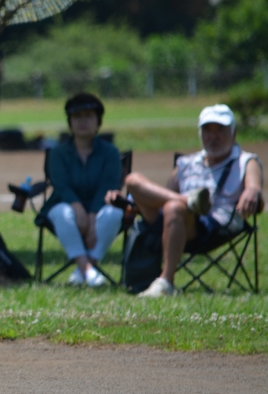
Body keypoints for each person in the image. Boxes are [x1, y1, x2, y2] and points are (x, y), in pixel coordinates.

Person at [106, 104, 263, 297]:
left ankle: (166, 282)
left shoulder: (246, 161)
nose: (213, 136)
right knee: (132, 180)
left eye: (220, 130)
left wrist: (252, 192)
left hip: (213, 226)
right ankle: (189, 201)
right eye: (207, 130)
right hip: (173, 221)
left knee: (173, 207)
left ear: (234, 132)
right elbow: (165, 195)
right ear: (200, 133)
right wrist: (127, 200)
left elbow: (255, 189)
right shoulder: (186, 163)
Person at [40, 93, 123, 287]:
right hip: (65, 205)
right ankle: (89, 271)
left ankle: (83, 269)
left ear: (98, 121)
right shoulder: (58, 153)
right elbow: (61, 186)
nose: (82, 121)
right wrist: (78, 209)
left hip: (101, 207)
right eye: (77, 117)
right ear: (69, 122)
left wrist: (92, 217)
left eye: (88, 116)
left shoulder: (110, 152)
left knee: (114, 213)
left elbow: (109, 185)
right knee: (62, 213)